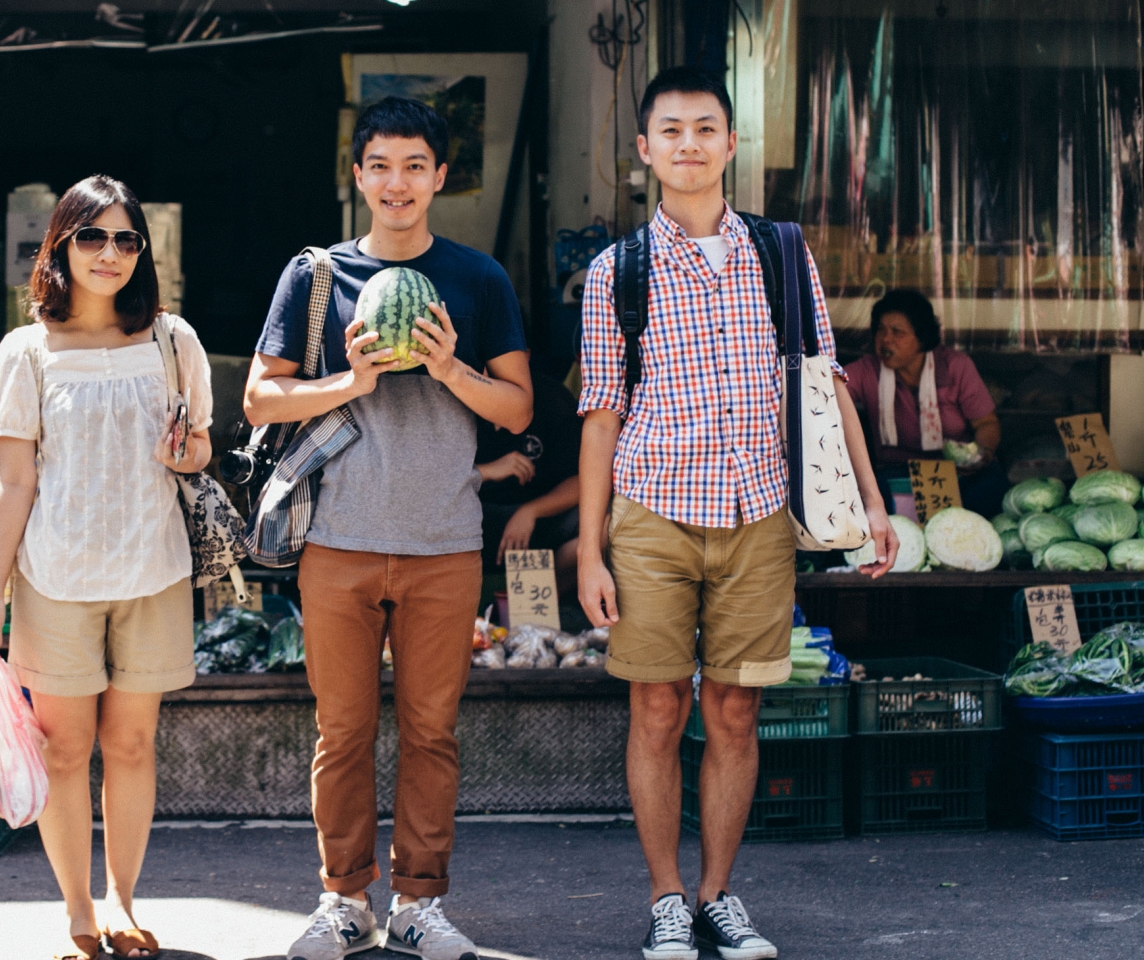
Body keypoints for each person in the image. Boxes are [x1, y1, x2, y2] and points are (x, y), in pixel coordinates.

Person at [575, 68, 895, 960]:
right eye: (669, 130)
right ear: (644, 150)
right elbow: (601, 412)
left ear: (731, 143)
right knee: (655, 710)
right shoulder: (618, 271)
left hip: (759, 515)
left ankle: (718, 894)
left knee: (736, 712)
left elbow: (826, 388)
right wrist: (592, 551)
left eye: (704, 128)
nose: (687, 144)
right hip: (652, 515)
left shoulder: (783, 252)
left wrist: (871, 503)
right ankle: (666, 898)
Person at [243, 96, 533, 960]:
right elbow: (260, 396)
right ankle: (344, 899)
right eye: (381, 166)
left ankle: (419, 902)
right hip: (337, 539)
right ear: (358, 174)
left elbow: (515, 409)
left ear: (440, 177)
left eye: (415, 166)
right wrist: (348, 382)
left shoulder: (478, 279)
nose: (397, 183)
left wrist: (449, 368)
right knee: (342, 731)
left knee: (431, 730)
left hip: (445, 543)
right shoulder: (316, 275)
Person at [0, 175, 214, 960]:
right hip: (57, 578)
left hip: (153, 570)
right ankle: (78, 913)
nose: (110, 254)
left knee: (133, 746)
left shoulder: (173, 341)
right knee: (66, 751)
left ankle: (124, 903)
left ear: (143, 253)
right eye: (93, 237)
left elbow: (202, 446)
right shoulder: (25, 351)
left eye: (126, 240)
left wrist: (188, 452)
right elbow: (13, 481)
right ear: (61, 246)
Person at [841, 289, 1008, 518]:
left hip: (957, 475)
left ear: (921, 338)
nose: (886, 339)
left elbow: (986, 423)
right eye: (881, 330)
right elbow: (829, 394)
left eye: (897, 332)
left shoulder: (955, 366)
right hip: (896, 475)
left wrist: (982, 455)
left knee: (992, 482)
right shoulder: (868, 369)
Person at [475, 369, 581, 593]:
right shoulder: (456, 390)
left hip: (541, 518)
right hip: (473, 520)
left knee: (604, 521)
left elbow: (583, 479)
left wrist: (530, 511)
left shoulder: (551, 397)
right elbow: (428, 481)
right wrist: (484, 471)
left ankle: (539, 601)